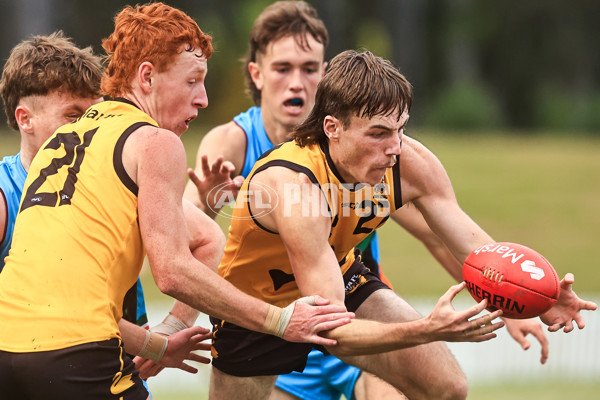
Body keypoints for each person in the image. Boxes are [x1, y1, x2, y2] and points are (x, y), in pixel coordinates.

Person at [184, 2, 555, 399]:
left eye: (400, 130)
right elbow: (329, 325)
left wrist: (532, 299)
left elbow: (463, 243)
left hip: (340, 282)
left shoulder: (406, 161)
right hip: (259, 310)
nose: (395, 148)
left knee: (449, 387)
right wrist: (427, 328)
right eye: (379, 133)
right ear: (333, 128)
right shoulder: (287, 180)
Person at [0, 4, 354, 400]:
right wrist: (280, 320)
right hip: (77, 357)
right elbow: (172, 272)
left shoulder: (58, 144)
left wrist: (160, 345)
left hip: (8, 352)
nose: (202, 99)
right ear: (147, 76)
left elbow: (61, 295)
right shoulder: (154, 142)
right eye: (192, 81)